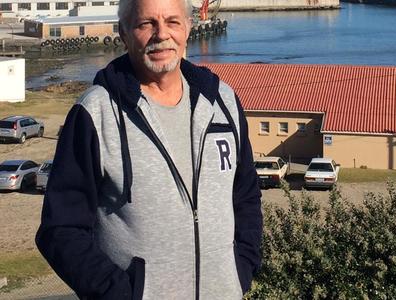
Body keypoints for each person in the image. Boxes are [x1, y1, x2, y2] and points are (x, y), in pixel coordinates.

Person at [35, 0, 262, 299]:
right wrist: (121, 293)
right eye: (146, 24)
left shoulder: (223, 102)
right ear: (124, 33)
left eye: (172, 22)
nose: (161, 34)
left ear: (189, 27)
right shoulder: (95, 113)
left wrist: (241, 269)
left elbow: (245, 195)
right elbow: (61, 230)